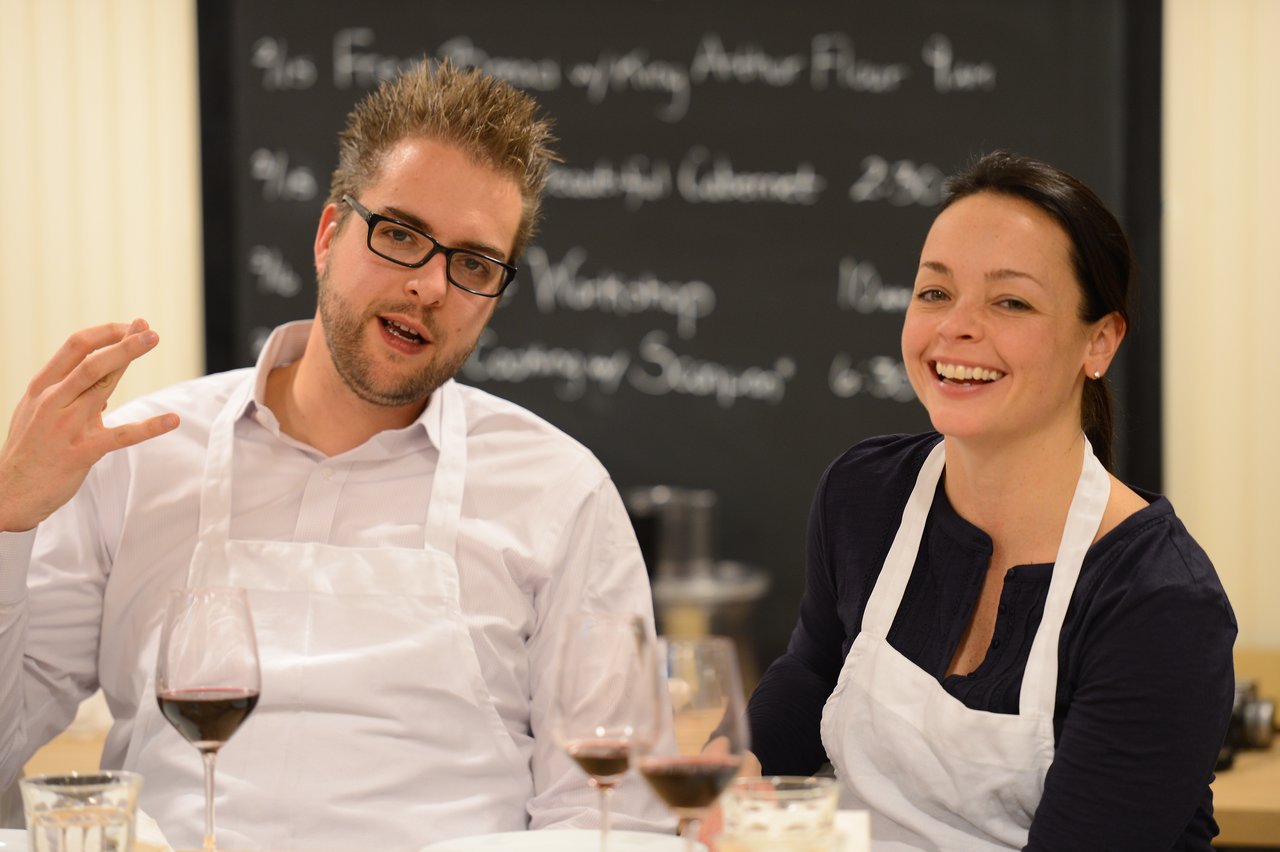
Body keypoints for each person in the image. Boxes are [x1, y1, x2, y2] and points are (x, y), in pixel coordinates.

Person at [0, 60, 671, 850]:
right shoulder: (139, 454)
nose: (429, 285)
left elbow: (614, 817)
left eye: (475, 264)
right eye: (400, 235)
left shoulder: (561, 492)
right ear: (327, 235)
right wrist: (8, 520)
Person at [744, 152, 1236, 850]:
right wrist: (742, 772)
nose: (957, 327)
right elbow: (815, 670)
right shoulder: (864, 494)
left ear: (1100, 341)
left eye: (1010, 301)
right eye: (935, 293)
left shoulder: (1159, 600)